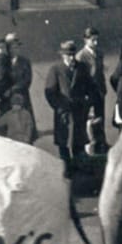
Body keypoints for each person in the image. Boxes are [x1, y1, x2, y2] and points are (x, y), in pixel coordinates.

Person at [44, 40, 93, 168]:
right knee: (64, 144)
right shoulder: (55, 69)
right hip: (63, 113)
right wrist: (59, 107)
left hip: (79, 112)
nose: (71, 57)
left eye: (73, 54)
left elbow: (91, 88)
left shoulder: (82, 67)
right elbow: (50, 92)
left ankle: (80, 171)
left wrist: (87, 104)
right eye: (68, 55)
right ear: (62, 55)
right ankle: (67, 170)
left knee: (79, 144)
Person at [75, 28, 108, 153]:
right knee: (90, 120)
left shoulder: (99, 53)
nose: (96, 43)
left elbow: (100, 72)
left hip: (99, 91)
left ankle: (101, 144)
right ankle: (91, 144)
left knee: (100, 118)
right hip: (88, 93)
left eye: (97, 40)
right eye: (93, 40)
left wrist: (103, 89)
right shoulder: (81, 56)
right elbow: (80, 77)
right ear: (86, 40)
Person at [5, 33, 36, 126]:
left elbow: (27, 80)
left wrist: (12, 90)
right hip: (5, 99)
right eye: (12, 47)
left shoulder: (25, 62)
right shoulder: (2, 62)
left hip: (21, 96)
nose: (14, 50)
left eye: (17, 47)